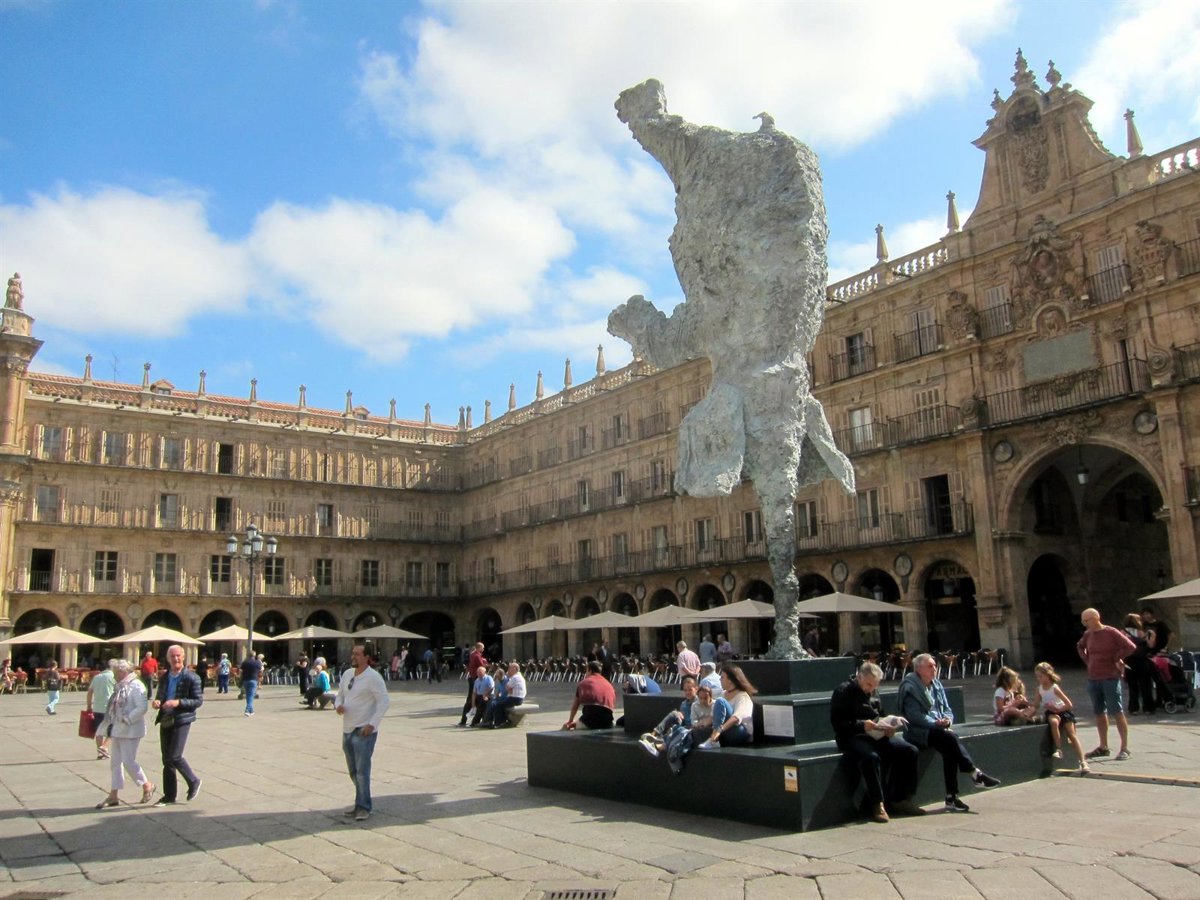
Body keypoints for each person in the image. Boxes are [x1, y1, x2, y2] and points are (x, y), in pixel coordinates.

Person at [897, 653, 1001, 813]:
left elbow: (947, 709)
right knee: (949, 739)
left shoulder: (936, 685)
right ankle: (973, 774)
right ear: (919, 669)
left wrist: (947, 720)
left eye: (935, 665)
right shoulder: (910, 687)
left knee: (949, 745)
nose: (934, 669)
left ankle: (952, 797)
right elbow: (914, 716)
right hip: (918, 731)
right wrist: (935, 723)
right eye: (930, 666)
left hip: (939, 730)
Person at [830, 661, 921, 823]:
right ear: (859, 677)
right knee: (871, 757)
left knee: (909, 751)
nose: (870, 689)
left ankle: (900, 798)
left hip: (876, 733)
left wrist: (888, 726)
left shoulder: (874, 692)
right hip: (853, 736)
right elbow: (838, 723)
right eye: (868, 684)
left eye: (874, 685)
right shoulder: (843, 691)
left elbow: (880, 714)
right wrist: (862, 725)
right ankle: (877, 803)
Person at [336, 643, 390, 821]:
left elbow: (384, 702)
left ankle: (364, 807)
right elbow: (340, 695)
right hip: (347, 729)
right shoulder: (347, 674)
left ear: (367, 657)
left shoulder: (373, 677)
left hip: (364, 731)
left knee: (362, 772)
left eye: (357, 654)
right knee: (353, 771)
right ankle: (360, 803)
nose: (353, 657)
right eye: (353, 653)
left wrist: (372, 724)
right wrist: (338, 705)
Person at [1077, 607, 1136, 761]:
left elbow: (1130, 646)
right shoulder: (1088, 634)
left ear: (1095, 618)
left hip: (1110, 677)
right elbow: (1080, 646)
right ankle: (1103, 746)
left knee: (1116, 711)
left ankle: (1124, 748)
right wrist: (1087, 660)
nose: (1085, 624)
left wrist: (1116, 657)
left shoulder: (1111, 632)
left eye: (1086, 620)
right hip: (1093, 677)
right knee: (1099, 712)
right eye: (1083, 621)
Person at [95, 659, 155, 808]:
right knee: (115, 763)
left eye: (116, 673)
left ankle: (147, 785)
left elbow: (142, 707)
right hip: (117, 729)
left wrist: (127, 719)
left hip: (131, 730)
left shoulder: (136, 685)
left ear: (123, 672)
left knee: (128, 761)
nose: (114, 676)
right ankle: (113, 795)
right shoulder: (120, 686)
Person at [150, 644, 203, 807]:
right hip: (166, 718)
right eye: (172, 656)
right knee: (167, 759)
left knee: (175, 756)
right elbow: (160, 695)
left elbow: (198, 701)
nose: (176, 658)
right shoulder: (165, 677)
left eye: (178, 655)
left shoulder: (192, 677)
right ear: (168, 659)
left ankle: (193, 781)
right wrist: (157, 702)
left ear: (184, 657)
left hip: (182, 719)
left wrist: (178, 702)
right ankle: (169, 796)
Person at [1033, 662, 1090, 774]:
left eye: (1041, 676)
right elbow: (1036, 704)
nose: (1038, 679)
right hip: (1051, 712)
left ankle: (1083, 761)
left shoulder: (1054, 688)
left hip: (1062, 710)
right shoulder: (1039, 689)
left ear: (1048, 675)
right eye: (1037, 676)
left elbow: (1069, 704)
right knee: (1053, 722)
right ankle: (1058, 749)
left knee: (1072, 735)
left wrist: (1058, 709)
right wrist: (1025, 704)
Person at [698, 664, 757, 748]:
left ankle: (713, 740)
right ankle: (713, 739)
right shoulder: (723, 694)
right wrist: (700, 724)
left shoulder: (743, 697)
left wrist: (719, 730)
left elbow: (736, 718)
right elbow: (713, 717)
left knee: (720, 701)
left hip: (739, 732)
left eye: (722, 677)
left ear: (730, 680)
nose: (719, 679)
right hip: (723, 731)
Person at [564, 661, 616, 730]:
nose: (585, 674)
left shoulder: (583, 683)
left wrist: (570, 721)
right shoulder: (609, 685)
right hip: (607, 722)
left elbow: (575, 706)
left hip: (589, 721)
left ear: (590, 671)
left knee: (568, 727)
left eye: (586, 671)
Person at [1121, 613, 1156, 715]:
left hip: (1129, 661)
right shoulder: (1142, 633)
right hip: (1142, 661)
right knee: (1146, 685)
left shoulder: (1122, 632)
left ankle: (1133, 708)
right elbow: (1150, 646)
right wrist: (1152, 636)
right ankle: (1148, 707)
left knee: (1132, 686)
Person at [86, 659, 118, 759]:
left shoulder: (97, 677)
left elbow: (90, 692)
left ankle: (100, 752)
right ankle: (104, 747)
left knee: (99, 731)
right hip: (110, 707)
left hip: (97, 708)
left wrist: (89, 706)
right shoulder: (114, 677)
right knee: (113, 729)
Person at [484, 662, 526, 727]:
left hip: (515, 699)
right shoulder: (519, 676)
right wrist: (509, 689)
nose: (508, 670)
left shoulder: (515, 677)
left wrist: (509, 689)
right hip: (517, 698)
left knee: (498, 705)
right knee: (494, 702)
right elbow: (507, 688)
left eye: (510, 668)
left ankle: (499, 723)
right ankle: (491, 721)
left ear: (515, 668)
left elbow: (507, 687)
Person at [458, 642, 487, 727]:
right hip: (475, 678)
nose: (483, 649)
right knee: (475, 698)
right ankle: (478, 719)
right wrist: (485, 663)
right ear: (479, 648)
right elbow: (482, 666)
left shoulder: (472, 654)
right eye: (482, 648)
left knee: (470, 699)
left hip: (471, 677)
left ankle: (464, 720)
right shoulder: (477, 655)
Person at [240, 653, 263, 717]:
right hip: (253, 680)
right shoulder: (257, 663)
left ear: (248, 656)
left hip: (245, 680)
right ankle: (247, 710)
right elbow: (261, 671)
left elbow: (241, 671)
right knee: (251, 695)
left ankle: (251, 710)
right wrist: (260, 678)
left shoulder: (244, 662)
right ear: (254, 656)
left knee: (248, 695)